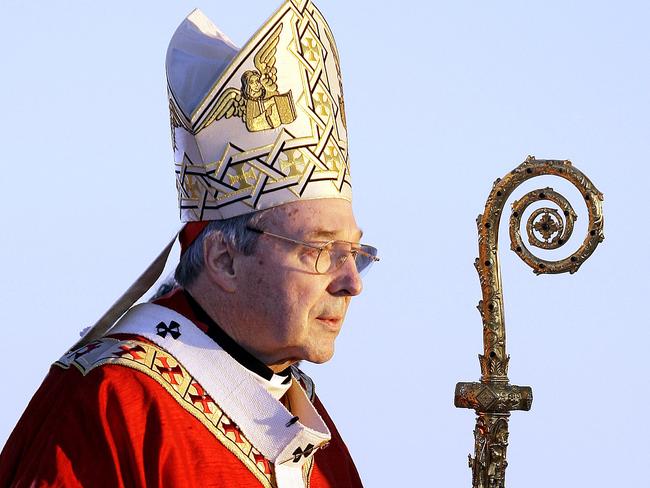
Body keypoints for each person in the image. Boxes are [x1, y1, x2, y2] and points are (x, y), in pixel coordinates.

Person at [0, 2, 378, 487]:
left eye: (356, 254)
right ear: (224, 258)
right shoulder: (116, 403)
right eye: (320, 250)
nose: (350, 283)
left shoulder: (295, 412)